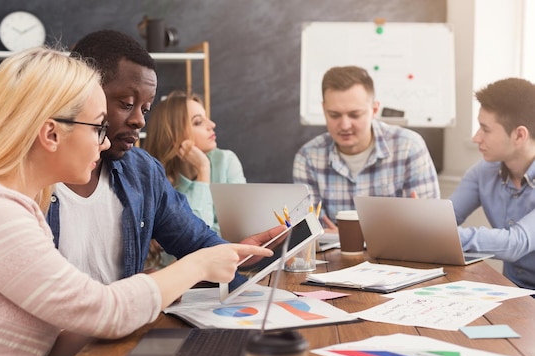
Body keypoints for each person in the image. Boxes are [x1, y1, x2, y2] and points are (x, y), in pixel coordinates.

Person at [0, 47, 272, 356]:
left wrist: (157, 297)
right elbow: (102, 309)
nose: (104, 141)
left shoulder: (19, 204)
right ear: (51, 133)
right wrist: (192, 269)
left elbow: (61, 337)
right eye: (99, 126)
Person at [47, 30, 276, 284]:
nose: (139, 120)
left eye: (146, 109)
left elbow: (197, 242)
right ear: (85, 94)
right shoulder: (29, 181)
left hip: (130, 321)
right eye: (126, 103)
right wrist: (153, 289)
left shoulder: (143, 172)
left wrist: (238, 256)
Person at [293, 65, 440, 231]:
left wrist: (350, 235)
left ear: (374, 109)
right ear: (324, 110)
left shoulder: (409, 147)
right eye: (334, 115)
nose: (345, 125)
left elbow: (429, 228)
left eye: (355, 115)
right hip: (332, 257)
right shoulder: (308, 157)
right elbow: (312, 234)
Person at [449, 77, 535, 290]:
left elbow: (515, 244)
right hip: (514, 295)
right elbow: (446, 218)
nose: (476, 138)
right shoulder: (483, 172)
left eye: (485, 129)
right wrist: (422, 220)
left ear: (519, 135)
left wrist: (440, 233)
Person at [142, 90, 246, 235]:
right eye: (198, 122)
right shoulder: (161, 186)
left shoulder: (226, 161)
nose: (212, 124)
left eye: (206, 118)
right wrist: (203, 169)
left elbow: (240, 230)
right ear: (174, 136)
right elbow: (194, 241)